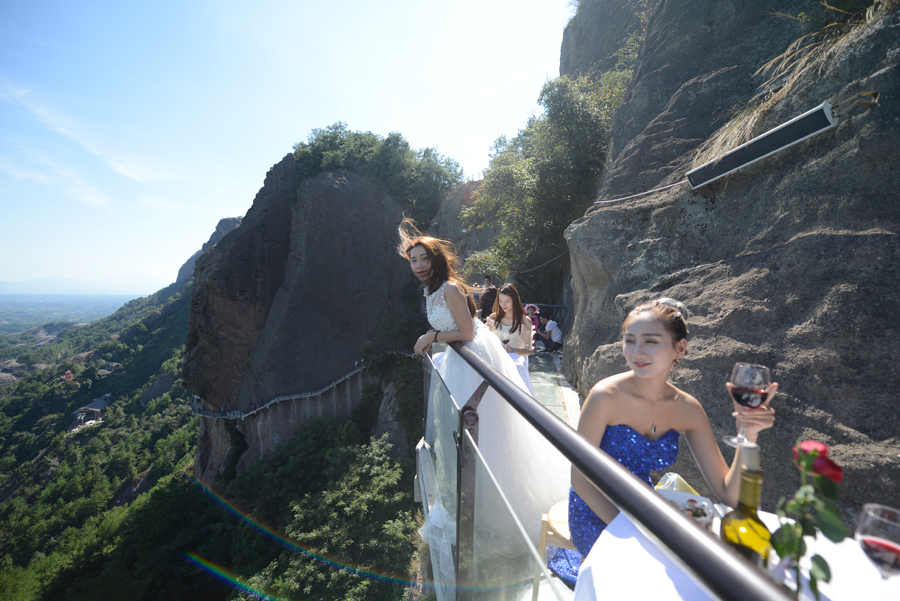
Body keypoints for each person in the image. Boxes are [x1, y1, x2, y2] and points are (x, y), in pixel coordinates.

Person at [549, 299, 777, 585]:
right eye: (629, 340)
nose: (637, 352)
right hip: (596, 509)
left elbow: (729, 495)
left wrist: (748, 433)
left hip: (647, 509)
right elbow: (581, 480)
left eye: (651, 341)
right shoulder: (604, 396)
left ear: (678, 348)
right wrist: (633, 530)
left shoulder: (688, 409)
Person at [398, 219, 569, 558]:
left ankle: (502, 506)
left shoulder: (448, 288)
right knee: (477, 433)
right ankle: (483, 503)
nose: (418, 266)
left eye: (423, 259)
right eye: (413, 260)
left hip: (474, 358)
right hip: (460, 363)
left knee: (487, 432)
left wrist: (430, 336)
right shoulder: (431, 289)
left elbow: (466, 333)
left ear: (436, 259)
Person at [486, 283, 534, 397]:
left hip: (515, 362)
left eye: (507, 301)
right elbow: (486, 340)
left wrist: (513, 349)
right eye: (501, 301)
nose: (503, 304)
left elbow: (528, 350)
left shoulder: (525, 321)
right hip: (496, 361)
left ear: (514, 300)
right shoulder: (493, 318)